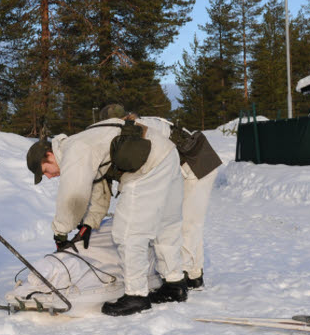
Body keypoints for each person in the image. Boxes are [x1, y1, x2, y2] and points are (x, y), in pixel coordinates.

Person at [25, 114, 186, 317]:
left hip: (148, 166)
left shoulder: (74, 151)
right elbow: (100, 189)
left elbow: (73, 198)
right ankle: (175, 284)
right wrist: (89, 224)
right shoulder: (85, 142)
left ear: (48, 155)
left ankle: (136, 296)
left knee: (128, 232)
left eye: (44, 171)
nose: (48, 176)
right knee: (166, 225)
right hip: (167, 155)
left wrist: (60, 232)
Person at [102, 104, 222, 289]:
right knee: (176, 221)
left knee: (188, 223)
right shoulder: (137, 126)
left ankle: (191, 275)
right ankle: (190, 273)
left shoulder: (141, 127)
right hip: (185, 167)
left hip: (197, 165)